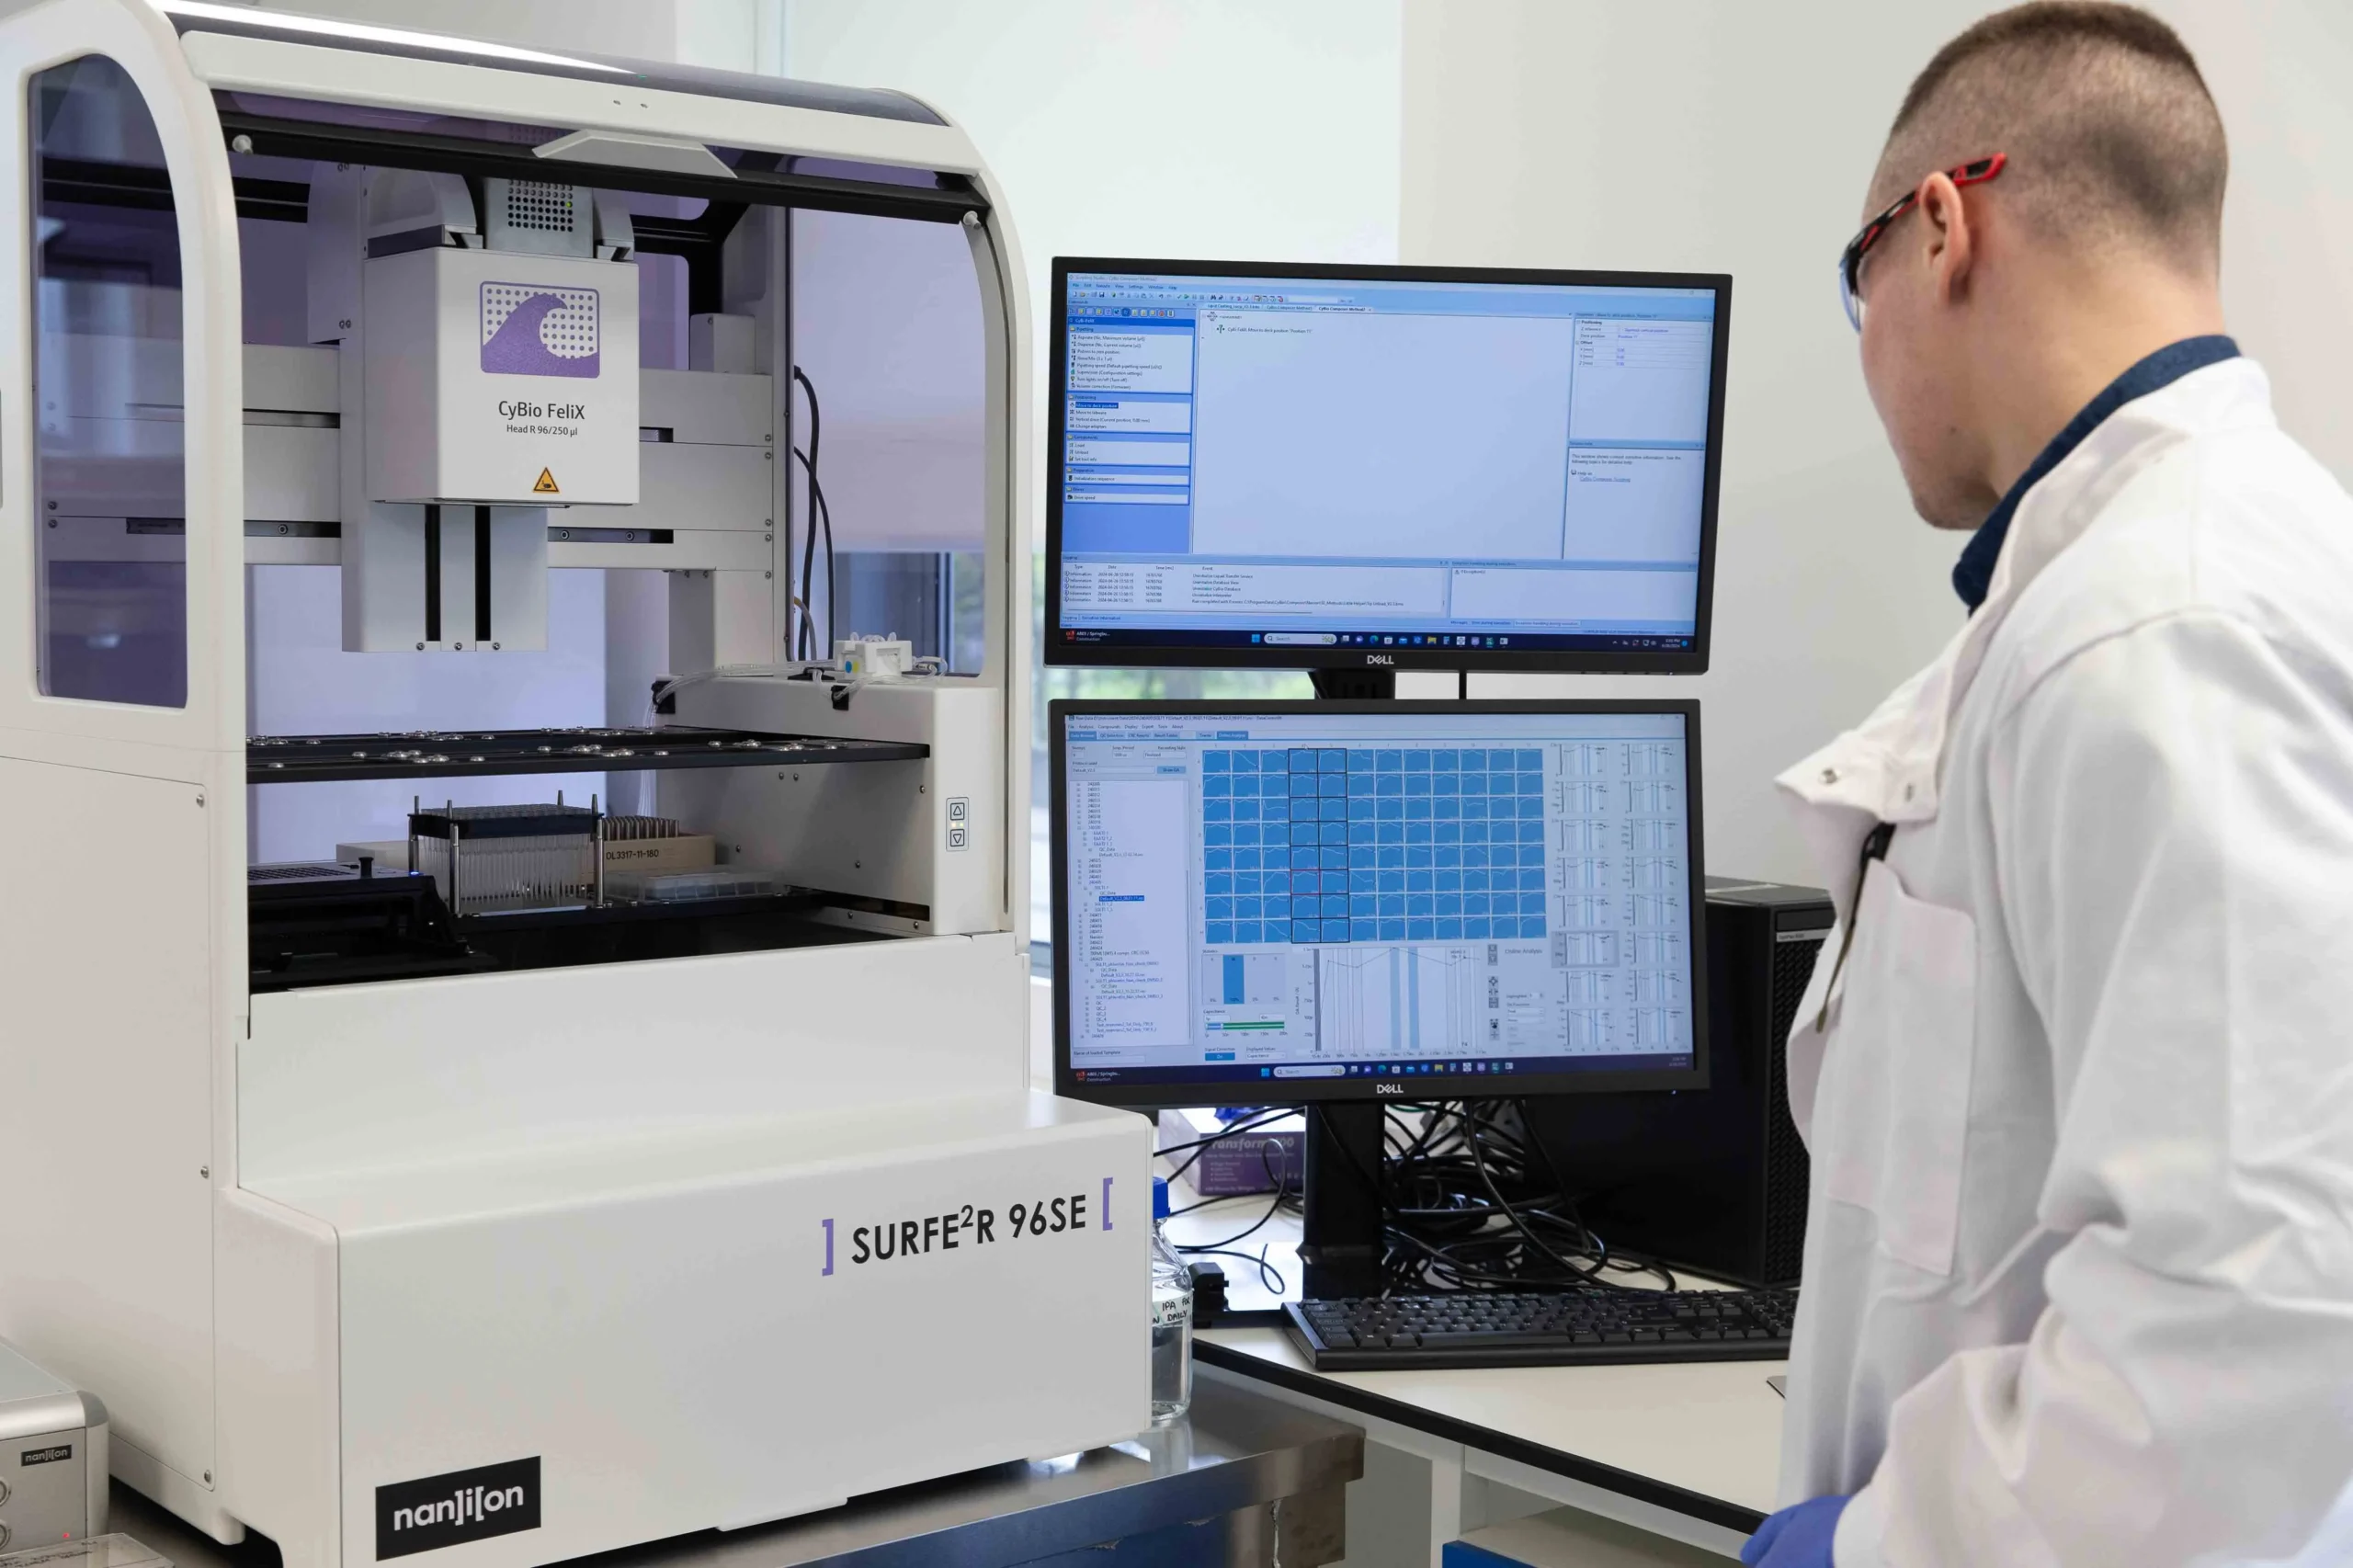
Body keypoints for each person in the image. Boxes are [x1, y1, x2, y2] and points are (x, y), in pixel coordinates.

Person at [1739, 5, 2353, 1566]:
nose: (1867, 346)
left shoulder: (2169, 624)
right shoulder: (2147, 589)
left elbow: (2252, 1313)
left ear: (1941, 227)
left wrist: (1881, 1550)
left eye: (1855, 284)